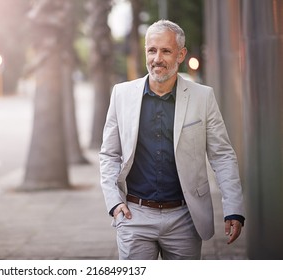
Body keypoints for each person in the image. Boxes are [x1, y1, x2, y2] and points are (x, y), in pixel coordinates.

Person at [99, 19, 245, 260]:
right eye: (152, 50)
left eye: (166, 51)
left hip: (185, 218)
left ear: (181, 54)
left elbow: (222, 156)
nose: (157, 58)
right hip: (134, 216)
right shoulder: (121, 94)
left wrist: (234, 209)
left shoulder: (203, 97)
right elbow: (109, 154)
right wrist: (114, 203)